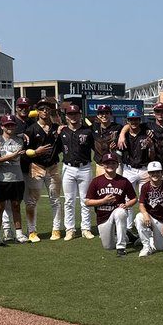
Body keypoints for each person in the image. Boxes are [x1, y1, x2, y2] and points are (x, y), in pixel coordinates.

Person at [23, 98, 63, 242]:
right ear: (37, 111)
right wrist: (35, 152)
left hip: (53, 167)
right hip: (36, 167)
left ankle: (56, 229)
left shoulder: (56, 128)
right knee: (32, 201)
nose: (45, 111)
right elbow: (24, 150)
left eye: (47, 108)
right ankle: (32, 231)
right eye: (41, 109)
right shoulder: (31, 129)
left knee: (55, 200)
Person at [56, 103, 96, 241]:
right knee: (69, 201)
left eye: (75, 114)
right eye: (70, 114)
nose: (73, 117)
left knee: (86, 200)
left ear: (80, 115)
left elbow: (96, 148)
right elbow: (57, 149)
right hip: (68, 168)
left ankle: (86, 228)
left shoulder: (87, 131)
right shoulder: (62, 132)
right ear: (66, 116)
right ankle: (70, 229)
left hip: (85, 167)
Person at [85, 152, 137, 255]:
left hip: (117, 212)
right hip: (103, 218)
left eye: (113, 163)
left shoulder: (124, 181)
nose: (110, 166)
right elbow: (87, 202)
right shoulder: (96, 181)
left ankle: (121, 248)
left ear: (117, 165)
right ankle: (128, 236)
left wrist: (126, 205)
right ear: (103, 165)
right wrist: (103, 201)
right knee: (108, 247)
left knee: (120, 213)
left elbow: (134, 198)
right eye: (107, 163)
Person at [0, 114, 27, 246]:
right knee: (0, 207)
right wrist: (11, 156)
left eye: (12, 125)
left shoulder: (20, 140)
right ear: (2, 127)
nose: (10, 127)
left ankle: (19, 234)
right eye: (7, 125)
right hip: (1, 179)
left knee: (16, 206)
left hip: (17, 178)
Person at [135, 161, 163, 257]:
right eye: (152, 172)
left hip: (161, 219)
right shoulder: (145, 187)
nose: (155, 174)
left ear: (161, 173)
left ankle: (149, 238)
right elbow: (141, 204)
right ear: (149, 174)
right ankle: (146, 246)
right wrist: (146, 215)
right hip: (149, 216)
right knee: (139, 218)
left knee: (160, 248)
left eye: (157, 172)